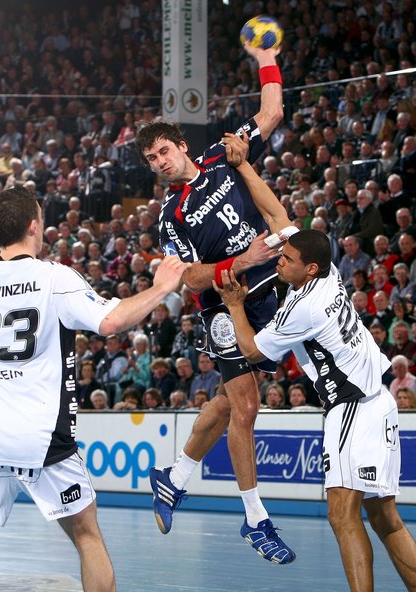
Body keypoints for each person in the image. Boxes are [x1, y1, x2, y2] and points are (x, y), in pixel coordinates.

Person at [0, 187, 188, 592]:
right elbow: (112, 321)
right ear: (34, 226)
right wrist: (161, 288)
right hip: (41, 439)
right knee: (87, 538)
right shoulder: (54, 278)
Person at [136, 44, 297, 564]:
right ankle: (255, 518)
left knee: (228, 402)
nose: (161, 163)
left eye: (164, 151)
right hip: (225, 306)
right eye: (152, 160)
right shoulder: (170, 216)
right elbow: (189, 278)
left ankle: (175, 476)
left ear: (182, 145)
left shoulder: (221, 155)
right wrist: (240, 262)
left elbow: (272, 111)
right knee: (246, 407)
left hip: (271, 290)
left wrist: (266, 57)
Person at [214, 229, 416, 592]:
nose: (280, 261)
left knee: (341, 514)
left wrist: (235, 305)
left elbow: (252, 350)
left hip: (350, 407)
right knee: (384, 516)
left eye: (287, 259)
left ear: (310, 268)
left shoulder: (304, 308)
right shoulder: (331, 275)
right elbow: (290, 229)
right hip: (379, 401)